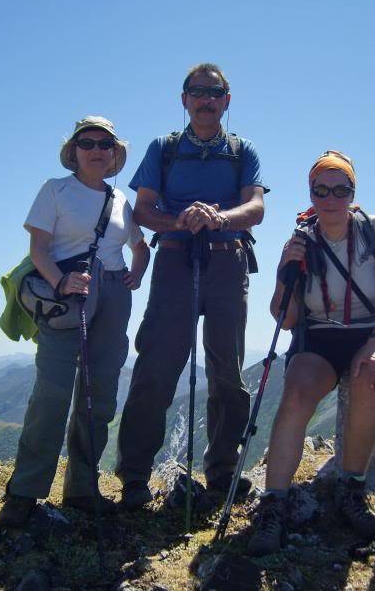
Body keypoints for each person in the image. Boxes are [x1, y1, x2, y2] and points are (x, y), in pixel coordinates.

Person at [115, 63, 267, 509]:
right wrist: (181, 220)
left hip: (227, 262)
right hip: (176, 261)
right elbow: (142, 210)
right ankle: (135, 477)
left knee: (228, 372)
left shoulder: (243, 150)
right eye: (196, 92)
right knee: (157, 368)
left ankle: (221, 472)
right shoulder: (163, 149)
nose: (205, 99)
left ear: (226, 100)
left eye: (214, 92)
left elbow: (255, 207)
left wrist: (216, 218)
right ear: (183, 99)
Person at [247, 150, 375, 555]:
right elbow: (286, 317)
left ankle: (350, 488)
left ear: (353, 192)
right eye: (322, 190)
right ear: (311, 194)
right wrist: (286, 268)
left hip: (368, 333)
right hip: (317, 336)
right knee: (297, 392)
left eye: (341, 189)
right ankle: (273, 504)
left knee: (370, 377)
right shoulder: (301, 241)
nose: (331, 198)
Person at [0, 116, 150, 527]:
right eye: (88, 143)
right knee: (52, 393)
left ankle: (82, 488)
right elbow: (39, 249)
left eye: (105, 143)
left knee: (98, 396)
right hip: (69, 296)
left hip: (114, 295)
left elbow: (140, 245)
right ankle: (25, 491)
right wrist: (61, 281)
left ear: (115, 152)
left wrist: (139, 269)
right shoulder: (55, 190)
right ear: (74, 150)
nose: (97, 150)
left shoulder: (120, 200)